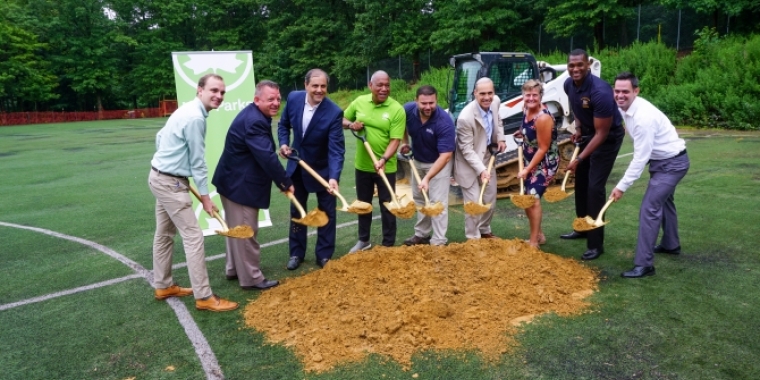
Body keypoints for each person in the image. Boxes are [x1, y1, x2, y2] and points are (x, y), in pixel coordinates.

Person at [148, 73, 238, 312]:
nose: (219, 96)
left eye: (222, 92)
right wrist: (207, 199)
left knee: (165, 233)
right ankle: (204, 296)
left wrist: (172, 166)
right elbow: (198, 162)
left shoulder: (186, 109)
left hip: (160, 176)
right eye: (214, 91)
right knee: (193, 237)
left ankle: (163, 285)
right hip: (170, 182)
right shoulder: (195, 118)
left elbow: (160, 138)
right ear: (200, 90)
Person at [212, 80, 294, 290]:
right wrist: (285, 181)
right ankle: (251, 278)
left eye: (278, 98)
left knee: (236, 229)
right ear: (257, 100)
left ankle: (233, 269)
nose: (276, 103)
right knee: (247, 231)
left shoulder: (255, 115)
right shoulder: (255, 121)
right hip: (240, 186)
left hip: (231, 181)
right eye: (270, 99)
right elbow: (266, 157)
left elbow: (261, 152)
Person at [612, 72, 690, 278]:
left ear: (636, 91)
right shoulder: (625, 108)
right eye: (617, 91)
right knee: (665, 202)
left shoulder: (642, 118)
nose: (620, 95)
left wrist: (621, 186)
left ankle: (644, 264)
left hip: (672, 165)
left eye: (625, 92)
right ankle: (671, 245)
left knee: (649, 208)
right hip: (663, 162)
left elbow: (640, 158)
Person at [278, 69, 345, 270]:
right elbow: (283, 125)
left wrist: (334, 177)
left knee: (327, 213)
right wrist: (283, 143)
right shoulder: (293, 99)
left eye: (323, 86)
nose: (319, 90)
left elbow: (336, 149)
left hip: (323, 170)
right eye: (315, 86)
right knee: (297, 210)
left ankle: (324, 255)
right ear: (306, 85)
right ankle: (296, 253)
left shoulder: (334, 112)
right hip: (297, 167)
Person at [562, 49, 625, 261]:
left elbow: (602, 133)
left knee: (594, 187)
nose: (575, 69)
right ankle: (581, 227)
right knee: (580, 182)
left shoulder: (601, 92)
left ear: (588, 65)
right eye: (572, 65)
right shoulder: (568, 84)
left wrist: (579, 158)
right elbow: (576, 107)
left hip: (607, 139)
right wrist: (578, 129)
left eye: (580, 65)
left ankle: (596, 244)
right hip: (589, 134)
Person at [343, 70, 406, 252]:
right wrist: (351, 125)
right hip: (362, 166)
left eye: (387, 85)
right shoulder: (359, 102)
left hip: (387, 167)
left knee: (388, 205)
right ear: (371, 86)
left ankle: (388, 243)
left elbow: (395, 140)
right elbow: (343, 119)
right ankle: (364, 241)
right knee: (364, 204)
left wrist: (384, 159)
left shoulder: (396, 109)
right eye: (380, 85)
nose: (384, 89)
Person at [400, 85, 456, 246]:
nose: (428, 107)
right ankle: (422, 234)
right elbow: (400, 124)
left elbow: (446, 155)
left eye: (431, 103)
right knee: (420, 199)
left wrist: (428, 178)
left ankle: (438, 240)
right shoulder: (408, 110)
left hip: (439, 162)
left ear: (436, 100)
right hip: (417, 160)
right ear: (416, 101)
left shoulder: (444, 121)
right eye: (423, 103)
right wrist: (405, 142)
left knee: (437, 203)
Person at [453, 77, 507, 240]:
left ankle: (484, 230)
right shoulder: (465, 117)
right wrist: (481, 170)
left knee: (490, 199)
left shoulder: (495, 102)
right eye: (482, 93)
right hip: (468, 164)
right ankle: (473, 238)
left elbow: (498, 119)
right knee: (474, 204)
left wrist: (501, 138)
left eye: (490, 93)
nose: (487, 97)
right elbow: (466, 149)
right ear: (474, 93)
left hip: (487, 158)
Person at [514, 80, 560, 248]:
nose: (531, 98)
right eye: (528, 95)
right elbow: (530, 130)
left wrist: (527, 169)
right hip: (530, 159)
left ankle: (534, 242)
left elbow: (543, 148)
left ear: (541, 96)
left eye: (535, 95)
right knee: (527, 198)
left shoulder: (543, 118)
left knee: (532, 198)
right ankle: (539, 235)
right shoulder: (526, 109)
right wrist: (523, 132)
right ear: (523, 96)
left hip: (545, 163)